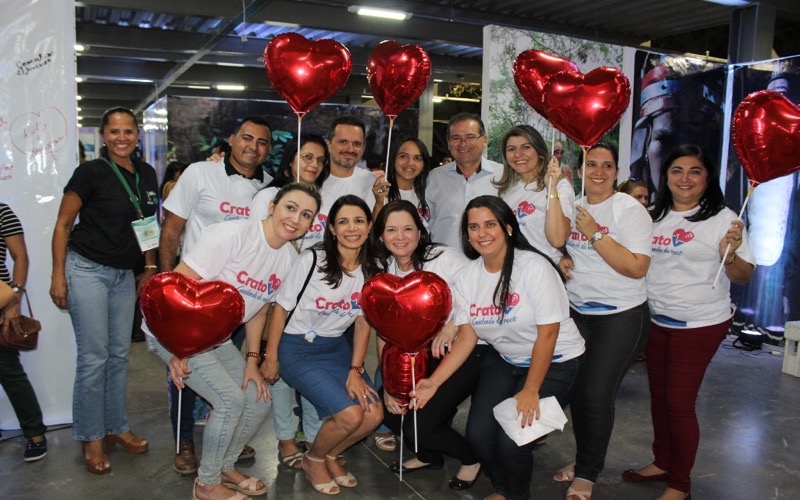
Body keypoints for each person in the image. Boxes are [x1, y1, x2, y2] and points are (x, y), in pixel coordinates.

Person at [150, 182, 321, 500]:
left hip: (216, 339)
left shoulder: (287, 259)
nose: (295, 218)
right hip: (170, 330)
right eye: (290, 207)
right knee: (231, 402)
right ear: (272, 207)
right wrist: (178, 349)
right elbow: (174, 289)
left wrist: (253, 362)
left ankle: (225, 466)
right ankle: (206, 483)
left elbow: (258, 311)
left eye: (306, 215)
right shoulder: (232, 236)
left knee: (258, 399)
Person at [411, 195, 585, 500]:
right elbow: (467, 338)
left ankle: (515, 494)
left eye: (490, 224)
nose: (482, 233)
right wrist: (433, 383)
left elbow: (548, 335)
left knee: (511, 440)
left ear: (507, 227)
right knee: (479, 435)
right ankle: (502, 486)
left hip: (556, 359)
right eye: (474, 227)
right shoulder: (467, 277)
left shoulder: (534, 267)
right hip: (505, 360)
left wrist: (531, 389)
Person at [623, 145, 754, 500]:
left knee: (679, 403)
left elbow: (743, 276)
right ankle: (663, 461)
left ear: (707, 178)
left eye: (695, 171)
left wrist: (729, 254)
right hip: (655, 318)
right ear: (665, 177)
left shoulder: (725, 220)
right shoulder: (651, 215)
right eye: (677, 170)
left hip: (699, 323)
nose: (685, 178)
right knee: (659, 397)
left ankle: (681, 483)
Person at [159, 115, 273, 474]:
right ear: (231, 139)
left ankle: (223, 438)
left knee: (224, 379)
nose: (253, 147)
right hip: (194, 296)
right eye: (247, 138)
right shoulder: (199, 173)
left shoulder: (270, 189)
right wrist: (165, 286)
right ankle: (185, 444)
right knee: (187, 373)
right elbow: (172, 229)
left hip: (241, 303)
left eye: (262, 142)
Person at [50, 106, 159, 475]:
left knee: (119, 357)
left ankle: (117, 428)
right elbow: (64, 224)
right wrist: (57, 275)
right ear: (103, 135)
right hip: (87, 271)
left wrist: (149, 265)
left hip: (123, 275)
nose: (122, 137)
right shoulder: (90, 172)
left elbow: (147, 224)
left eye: (128, 131)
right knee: (94, 358)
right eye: (114, 132)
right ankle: (91, 437)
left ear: (137, 134)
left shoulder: (146, 173)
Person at [261, 195, 383, 496]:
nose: (351, 228)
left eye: (358, 221)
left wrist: (356, 369)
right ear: (331, 228)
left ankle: (328, 453)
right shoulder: (312, 260)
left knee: (374, 414)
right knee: (351, 415)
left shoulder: (372, 269)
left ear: (369, 227)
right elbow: (281, 309)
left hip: (334, 348)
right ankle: (314, 459)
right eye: (343, 221)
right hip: (295, 348)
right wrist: (272, 357)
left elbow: (363, 322)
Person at [556, 143, 653, 500]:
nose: (598, 171)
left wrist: (596, 233)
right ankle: (584, 461)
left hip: (621, 316)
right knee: (577, 391)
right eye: (592, 164)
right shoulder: (575, 204)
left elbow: (636, 267)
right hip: (578, 312)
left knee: (595, 395)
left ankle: (587, 473)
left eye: (607, 165)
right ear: (580, 168)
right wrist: (561, 258)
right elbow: (563, 244)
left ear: (617, 171)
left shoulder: (630, 210)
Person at [369, 200, 479, 486]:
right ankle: (431, 455)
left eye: (408, 228)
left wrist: (453, 324)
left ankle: (472, 458)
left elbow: (479, 291)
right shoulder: (385, 272)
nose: (400, 236)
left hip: (463, 350)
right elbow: (384, 332)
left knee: (419, 426)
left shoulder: (445, 257)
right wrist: (391, 386)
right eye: (391, 230)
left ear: (420, 232)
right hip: (414, 356)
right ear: (381, 236)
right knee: (391, 411)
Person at [250, 134, 331, 469]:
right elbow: (258, 243)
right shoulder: (269, 196)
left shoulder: (322, 199)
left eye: (319, 160)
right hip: (274, 298)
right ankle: (285, 439)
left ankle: (314, 438)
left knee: (310, 372)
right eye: (306, 156)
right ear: (290, 159)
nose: (313, 164)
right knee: (279, 373)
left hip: (312, 302)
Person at [0, 204, 47, 462]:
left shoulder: (2, 212)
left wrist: (14, 298)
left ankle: (35, 434)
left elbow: (20, 257)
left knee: (8, 370)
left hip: (0, 299)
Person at [495, 125, 574, 265]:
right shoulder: (507, 191)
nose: (518, 154)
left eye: (526, 147)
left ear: (539, 151)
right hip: (512, 270)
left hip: (544, 271)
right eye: (511, 149)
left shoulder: (560, 186)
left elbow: (557, 239)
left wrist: (552, 189)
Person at [425, 112, 501, 250]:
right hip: (443, 262)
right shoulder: (435, 177)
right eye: (456, 138)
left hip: (489, 263)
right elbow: (425, 222)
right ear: (448, 143)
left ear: (484, 140)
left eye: (470, 137)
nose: (463, 143)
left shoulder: (502, 176)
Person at [302, 116, 379, 249]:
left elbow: (377, 233)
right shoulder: (310, 178)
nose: (350, 149)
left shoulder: (373, 183)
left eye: (357, 144)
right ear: (328, 144)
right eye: (343, 142)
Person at [372, 136, 432, 225]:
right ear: (393, 160)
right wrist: (379, 203)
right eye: (403, 156)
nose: (410, 163)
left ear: (423, 165)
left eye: (417, 158)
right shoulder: (380, 192)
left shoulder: (427, 194)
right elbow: (376, 231)